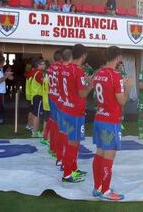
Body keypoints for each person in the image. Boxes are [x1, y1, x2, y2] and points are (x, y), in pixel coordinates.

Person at [92, 46, 133, 201]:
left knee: (100, 152)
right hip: (111, 120)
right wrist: (127, 88)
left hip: (99, 117)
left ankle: (98, 187)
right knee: (109, 156)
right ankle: (106, 190)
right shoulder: (115, 75)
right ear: (118, 57)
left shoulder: (99, 73)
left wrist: (120, 85)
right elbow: (121, 100)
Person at [60, 44, 93, 183]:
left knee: (73, 141)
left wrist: (83, 82)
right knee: (72, 142)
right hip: (75, 111)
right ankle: (67, 174)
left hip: (66, 108)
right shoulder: (77, 70)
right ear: (84, 54)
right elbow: (82, 93)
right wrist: (90, 85)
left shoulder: (65, 68)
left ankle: (73, 168)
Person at [46, 50, 62, 163]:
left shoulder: (50, 67)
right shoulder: (61, 68)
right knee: (59, 126)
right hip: (59, 98)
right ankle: (57, 150)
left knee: (53, 122)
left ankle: (52, 148)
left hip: (51, 95)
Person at [29, 58, 47, 137]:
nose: (44, 66)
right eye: (43, 64)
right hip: (38, 95)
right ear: (38, 65)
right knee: (37, 114)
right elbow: (44, 83)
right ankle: (35, 132)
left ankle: (34, 130)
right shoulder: (39, 73)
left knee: (34, 113)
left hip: (34, 95)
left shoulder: (34, 72)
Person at [0, 56, 13, 124]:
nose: (4, 63)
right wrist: (7, 75)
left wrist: (7, 74)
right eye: (3, 62)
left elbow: (5, 78)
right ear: (1, 62)